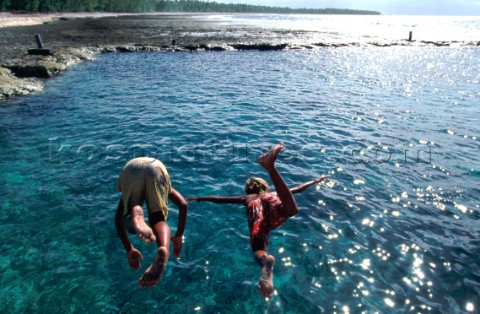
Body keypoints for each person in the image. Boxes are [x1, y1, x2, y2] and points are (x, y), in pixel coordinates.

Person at [188, 142, 328, 298]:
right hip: (272, 204)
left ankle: (265, 262)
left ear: (248, 190)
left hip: (258, 216)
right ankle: (271, 168)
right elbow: (299, 188)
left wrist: (199, 197)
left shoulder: (246, 198)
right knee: (291, 210)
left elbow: (220, 198)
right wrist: (317, 180)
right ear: (263, 186)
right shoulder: (270, 193)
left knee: (259, 248)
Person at [115, 157, 188, 288]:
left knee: (128, 219)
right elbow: (183, 204)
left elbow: (117, 220)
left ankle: (136, 212)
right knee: (157, 218)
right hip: (156, 167)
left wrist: (129, 249)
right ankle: (164, 249)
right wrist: (178, 235)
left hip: (131, 168)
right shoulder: (166, 186)